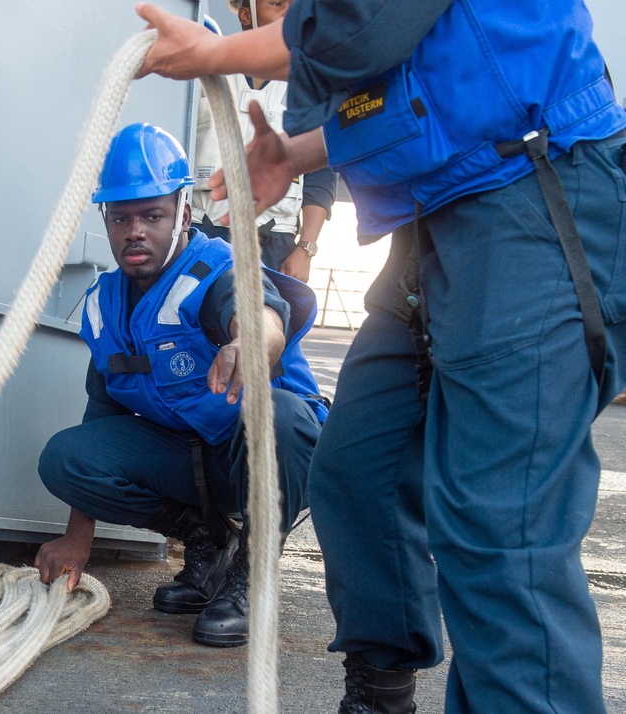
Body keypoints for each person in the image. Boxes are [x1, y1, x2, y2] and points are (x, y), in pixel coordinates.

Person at [134, 2, 626, 712]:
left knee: (499, 533)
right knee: (355, 470)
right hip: (437, 219)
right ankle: (379, 693)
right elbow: (412, 80)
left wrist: (215, 53)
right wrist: (295, 153)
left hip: (530, 193)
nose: (265, 13)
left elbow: (360, 27)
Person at [35, 122, 328, 648]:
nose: (135, 231)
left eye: (152, 215)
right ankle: (209, 541)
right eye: (121, 217)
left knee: (281, 416)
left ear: (184, 214)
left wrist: (247, 345)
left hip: (263, 457)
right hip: (195, 461)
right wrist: (78, 539)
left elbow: (261, 315)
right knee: (67, 458)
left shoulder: (216, 268)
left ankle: (251, 576)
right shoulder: (104, 306)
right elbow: (101, 416)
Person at [193, 1, 337, 282]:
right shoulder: (204, 76)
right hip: (201, 237)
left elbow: (322, 176)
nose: (291, 12)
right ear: (246, 16)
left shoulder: (313, 88)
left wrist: (305, 250)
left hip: (274, 248)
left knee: (265, 325)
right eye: (277, 3)